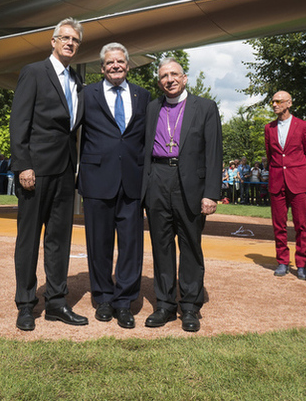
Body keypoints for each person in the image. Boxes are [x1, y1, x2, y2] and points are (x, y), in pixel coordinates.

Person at [10, 18, 86, 331]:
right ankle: (26, 304)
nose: (69, 43)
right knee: (29, 240)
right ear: (52, 41)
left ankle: (56, 302)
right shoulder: (33, 72)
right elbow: (19, 121)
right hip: (36, 171)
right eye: (65, 38)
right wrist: (23, 165)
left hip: (66, 172)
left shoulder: (77, 80)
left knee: (59, 240)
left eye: (75, 40)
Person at [142, 58, 222, 332]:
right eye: (164, 76)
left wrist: (211, 193)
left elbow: (213, 152)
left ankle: (189, 307)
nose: (169, 80)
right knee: (161, 245)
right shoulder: (152, 107)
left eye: (174, 74)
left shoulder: (206, 107)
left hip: (190, 184)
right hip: (157, 179)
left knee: (190, 246)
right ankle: (164, 304)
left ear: (184, 78)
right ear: (159, 81)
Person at [78, 43, 150, 329]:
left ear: (128, 65)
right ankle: (103, 298)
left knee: (131, 245)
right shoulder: (86, 94)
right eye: (110, 62)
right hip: (96, 180)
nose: (116, 66)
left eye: (120, 61)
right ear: (102, 67)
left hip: (132, 181)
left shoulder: (142, 95)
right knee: (98, 243)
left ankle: (124, 302)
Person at [264, 91, 306, 280]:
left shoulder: (302, 126)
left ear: (289, 103)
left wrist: (302, 174)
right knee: (279, 224)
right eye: (273, 101)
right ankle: (282, 261)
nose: (274, 104)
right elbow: (270, 156)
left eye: (278, 101)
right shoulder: (269, 128)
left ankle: (301, 264)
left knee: (302, 225)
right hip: (277, 180)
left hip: (298, 181)